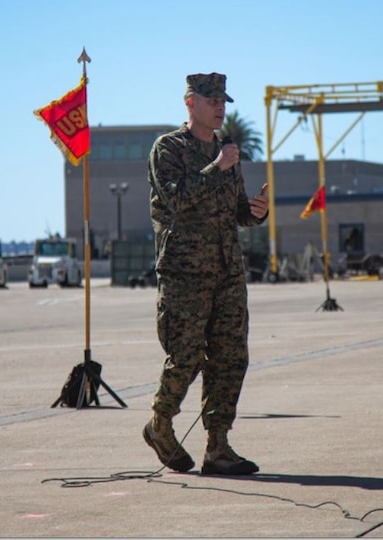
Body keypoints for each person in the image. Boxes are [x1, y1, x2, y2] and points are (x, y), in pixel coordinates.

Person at [142, 72, 269, 475]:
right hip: (185, 273)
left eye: (223, 101)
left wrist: (254, 213)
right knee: (186, 357)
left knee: (231, 358)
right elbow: (177, 200)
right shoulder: (169, 149)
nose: (220, 107)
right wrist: (217, 167)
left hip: (227, 271)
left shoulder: (226, 153)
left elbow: (233, 213)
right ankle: (160, 425)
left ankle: (219, 446)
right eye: (212, 100)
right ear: (190, 103)